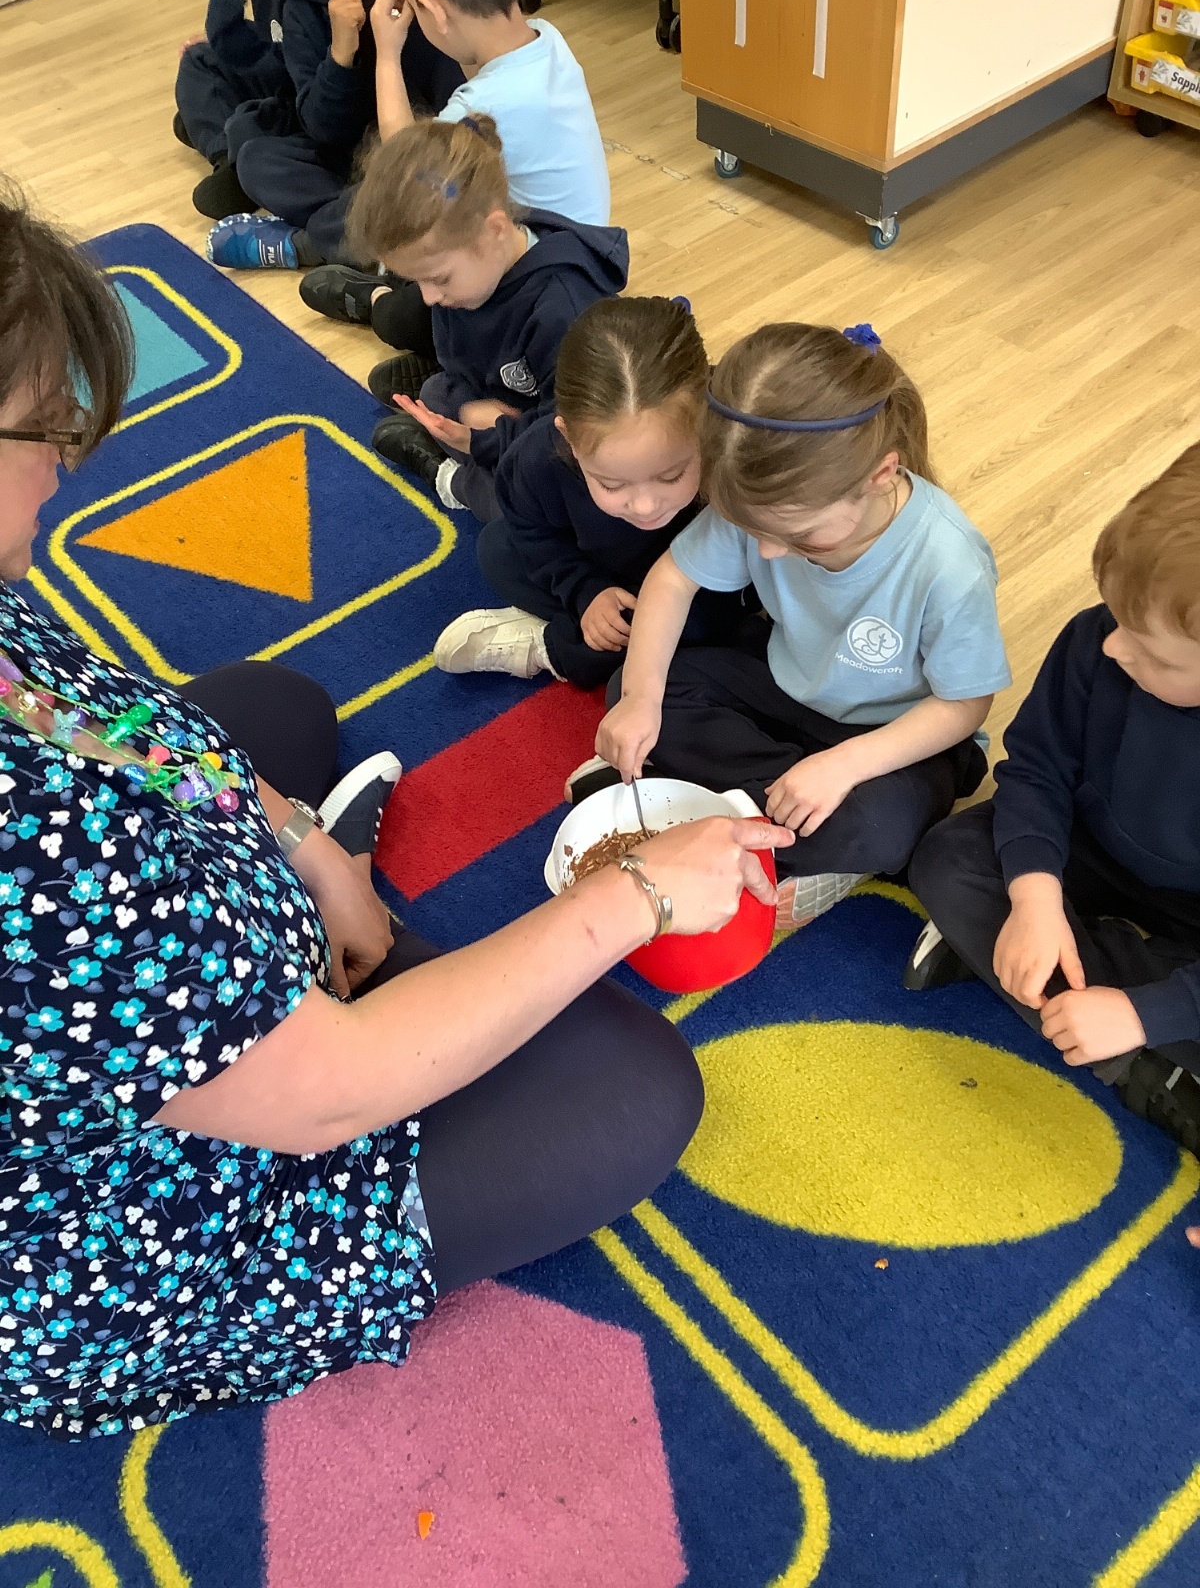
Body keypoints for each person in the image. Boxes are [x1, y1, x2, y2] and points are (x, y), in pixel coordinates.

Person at [0, 183, 793, 1438]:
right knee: (634, 1087)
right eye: (45, 426)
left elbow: (123, 731)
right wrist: (635, 892)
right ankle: (379, 997)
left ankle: (354, 954)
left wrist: (313, 851)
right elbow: (324, 1094)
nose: (70, 459)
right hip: (137, 1231)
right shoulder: (33, 847)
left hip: (169, 972)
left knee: (268, 706)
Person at [571, 322, 1012, 931]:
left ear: (880, 476)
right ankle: (773, 816)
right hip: (786, 689)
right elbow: (673, 579)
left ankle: (722, 806)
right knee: (632, 685)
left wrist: (844, 766)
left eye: (798, 535)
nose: (769, 553)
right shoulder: (766, 505)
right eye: (754, 531)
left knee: (880, 825)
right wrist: (643, 700)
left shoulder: (949, 562)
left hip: (893, 737)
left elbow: (965, 705)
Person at [907, 446, 1200, 1156]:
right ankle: (1135, 1053)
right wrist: (1035, 898)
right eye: (1117, 617)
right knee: (949, 857)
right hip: (1090, 848)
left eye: (1155, 655)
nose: (1116, 649)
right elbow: (1036, 769)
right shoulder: (1100, 640)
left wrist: (1144, 1013)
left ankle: (1101, 1017)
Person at [433, 295, 755, 687]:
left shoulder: (733, 441)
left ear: (707, 425)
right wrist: (586, 591)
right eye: (611, 483)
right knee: (496, 549)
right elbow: (532, 533)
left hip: (696, 585)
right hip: (602, 568)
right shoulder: (535, 460)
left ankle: (551, 646)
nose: (645, 506)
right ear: (568, 437)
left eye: (671, 476)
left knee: (705, 626)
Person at [343, 113, 628, 519]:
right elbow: (459, 359)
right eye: (415, 282)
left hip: (562, 437)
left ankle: (450, 479)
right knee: (436, 395)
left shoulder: (564, 311)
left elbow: (584, 435)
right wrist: (471, 410)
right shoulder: (471, 280)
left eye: (438, 279)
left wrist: (498, 435)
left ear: (494, 230)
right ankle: (456, 432)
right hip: (501, 404)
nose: (428, 297)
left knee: (522, 509)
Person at [297, 0, 610, 346]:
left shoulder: (486, 101)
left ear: (435, 12)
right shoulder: (546, 38)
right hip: (587, 261)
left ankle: (375, 298)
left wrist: (387, 53)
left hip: (540, 283)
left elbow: (404, 164)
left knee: (405, 312)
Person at [205, 0, 464, 270]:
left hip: (428, 158)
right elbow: (322, 127)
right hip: (358, 152)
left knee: (436, 189)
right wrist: (341, 55)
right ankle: (374, 234)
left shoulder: (424, 0)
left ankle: (313, 244)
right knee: (255, 156)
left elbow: (450, 142)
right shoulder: (303, 3)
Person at [174, 0, 291, 221]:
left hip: (308, 97)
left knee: (202, 114)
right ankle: (230, 154)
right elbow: (272, 34)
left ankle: (237, 158)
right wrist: (231, 38)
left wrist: (229, 40)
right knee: (199, 58)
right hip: (281, 73)